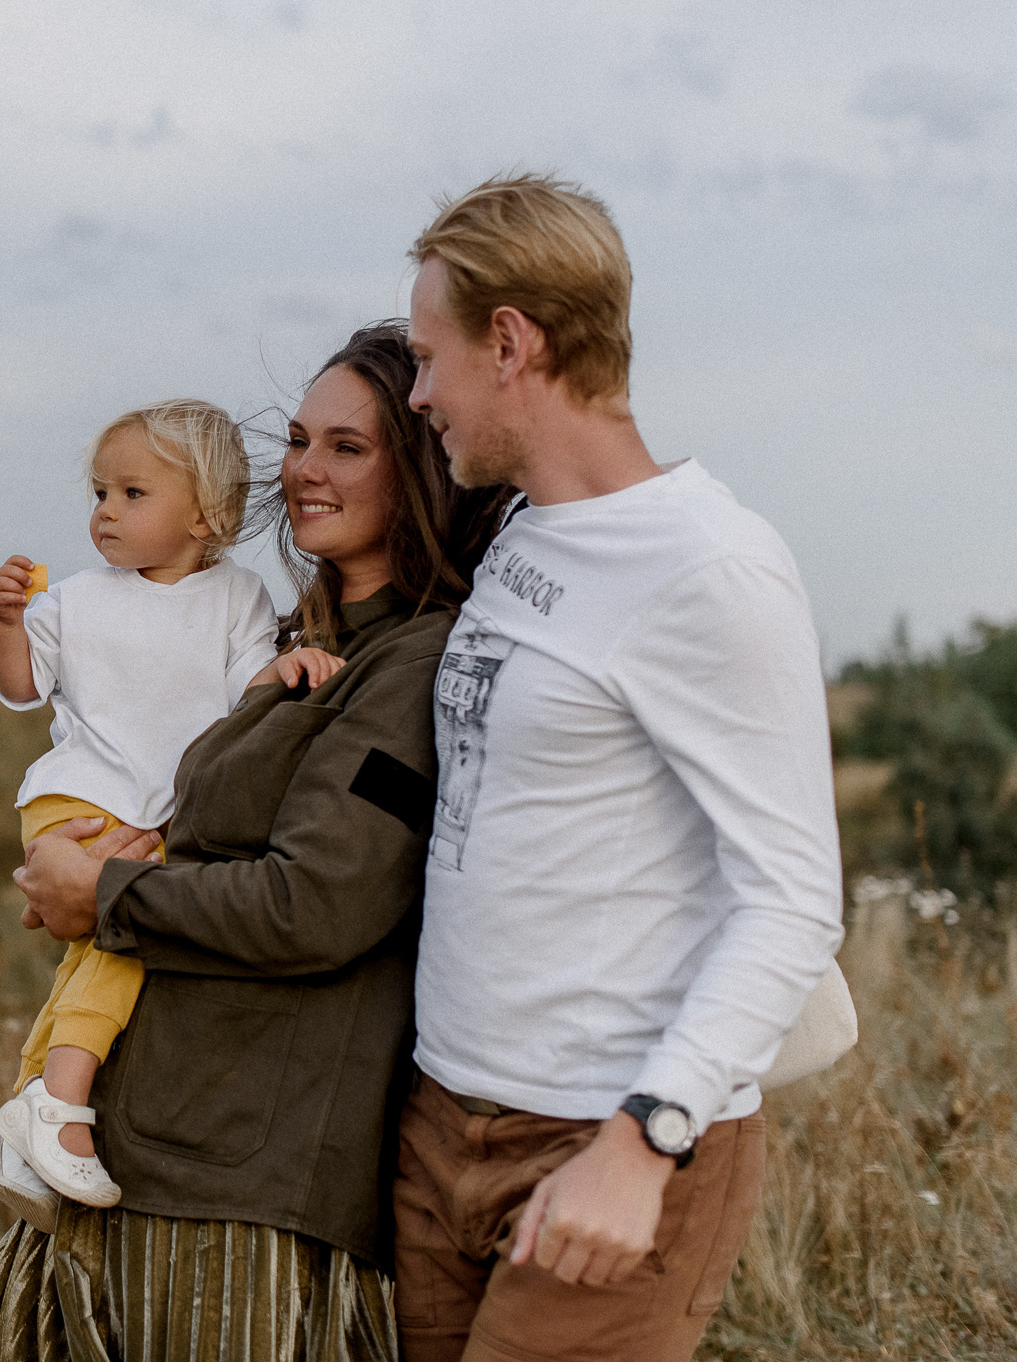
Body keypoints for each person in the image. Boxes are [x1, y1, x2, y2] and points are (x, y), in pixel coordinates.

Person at [0, 325, 511, 1362]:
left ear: (423, 467)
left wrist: (104, 895)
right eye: (297, 440)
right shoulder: (295, 638)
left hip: (241, 1182)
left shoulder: (410, 664)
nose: (302, 469)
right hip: (142, 1148)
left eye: (347, 446)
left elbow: (319, 904)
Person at [393, 174, 845, 1362]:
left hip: (605, 1143)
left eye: (428, 356)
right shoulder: (525, 532)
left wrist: (644, 1142)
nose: (421, 394)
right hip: (443, 1124)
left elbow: (792, 898)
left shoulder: (712, 570)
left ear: (510, 341)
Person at [0, 399, 341, 1222]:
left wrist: (291, 664)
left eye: (131, 494)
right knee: (129, 933)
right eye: (99, 494)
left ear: (205, 515)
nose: (104, 512)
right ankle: (61, 1104)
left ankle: (29, 1102)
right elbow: (23, 686)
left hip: (158, 809)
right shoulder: (72, 600)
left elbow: (250, 685)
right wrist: (6, 623)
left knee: (95, 955)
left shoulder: (238, 597)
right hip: (82, 799)